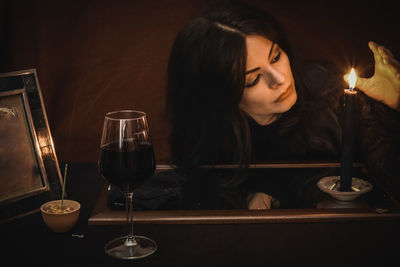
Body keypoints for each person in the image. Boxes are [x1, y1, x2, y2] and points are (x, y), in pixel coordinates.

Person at [165, 0, 400, 209]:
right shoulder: (206, 131)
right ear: (218, 95)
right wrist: (244, 198)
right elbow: (198, 193)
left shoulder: (338, 96)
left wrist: (396, 107)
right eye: (253, 79)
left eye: (276, 57)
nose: (280, 79)